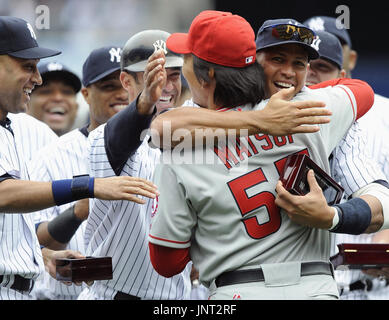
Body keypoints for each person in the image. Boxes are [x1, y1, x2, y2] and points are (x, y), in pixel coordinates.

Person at [147, 11, 375, 300]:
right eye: (278, 59)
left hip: (237, 290)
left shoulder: (181, 148)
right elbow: (362, 91)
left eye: (188, 57)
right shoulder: (306, 110)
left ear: (209, 74)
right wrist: (262, 119)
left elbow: (167, 263)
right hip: (316, 289)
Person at [0, 16, 158, 300]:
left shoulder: (15, 131)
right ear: (87, 94)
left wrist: (43, 255)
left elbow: (15, 232)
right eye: (27, 67)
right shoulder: (51, 149)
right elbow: (4, 195)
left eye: (127, 83)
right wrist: (89, 187)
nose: (37, 78)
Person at [79, 29, 192, 300]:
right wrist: (146, 101)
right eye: (152, 75)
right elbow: (122, 135)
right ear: (126, 81)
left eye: (173, 75)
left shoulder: (193, 139)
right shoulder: (102, 139)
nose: (165, 85)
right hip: (117, 294)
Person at [290, 17, 389, 300]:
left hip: (368, 287)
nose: (310, 73)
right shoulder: (267, 116)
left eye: (322, 65)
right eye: (304, 61)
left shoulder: (382, 115)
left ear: (347, 64)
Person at [29, 45, 128, 300]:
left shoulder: (156, 150)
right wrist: (77, 210)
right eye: (108, 86)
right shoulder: (50, 155)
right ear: (86, 94)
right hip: (63, 295)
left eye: (127, 84)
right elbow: (36, 243)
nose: (121, 94)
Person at [27, 61, 81, 136]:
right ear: (26, 105)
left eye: (66, 92)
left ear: (76, 108)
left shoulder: (90, 146)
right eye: (46, 91)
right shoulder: (10, 145)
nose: (58, 98)